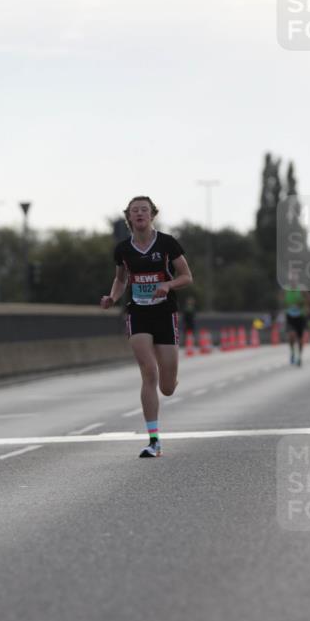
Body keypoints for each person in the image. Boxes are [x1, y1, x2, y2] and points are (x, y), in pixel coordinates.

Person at [100, 196, 193, 458]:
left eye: (144, 210)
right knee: (148, 372)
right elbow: (121, 280)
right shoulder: (123, 249)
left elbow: (187, 276)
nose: (139, 213)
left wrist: (168, 285)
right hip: (138, 313)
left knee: (167, 387)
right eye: (135, 210)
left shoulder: (167, 243)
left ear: (152, 214)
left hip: (165, 313)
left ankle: (171, 378)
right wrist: (112, 298)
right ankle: (154, 441)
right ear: (129, 217)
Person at [282, 285, 310, 366]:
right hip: (290, 316)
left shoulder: (301, 289)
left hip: (300, 317)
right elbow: (281, 301)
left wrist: (305, 304)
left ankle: (299, 356)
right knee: (291, 335)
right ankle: (292, 352)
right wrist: (286, 305)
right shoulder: (286, 290)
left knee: (300, 338)